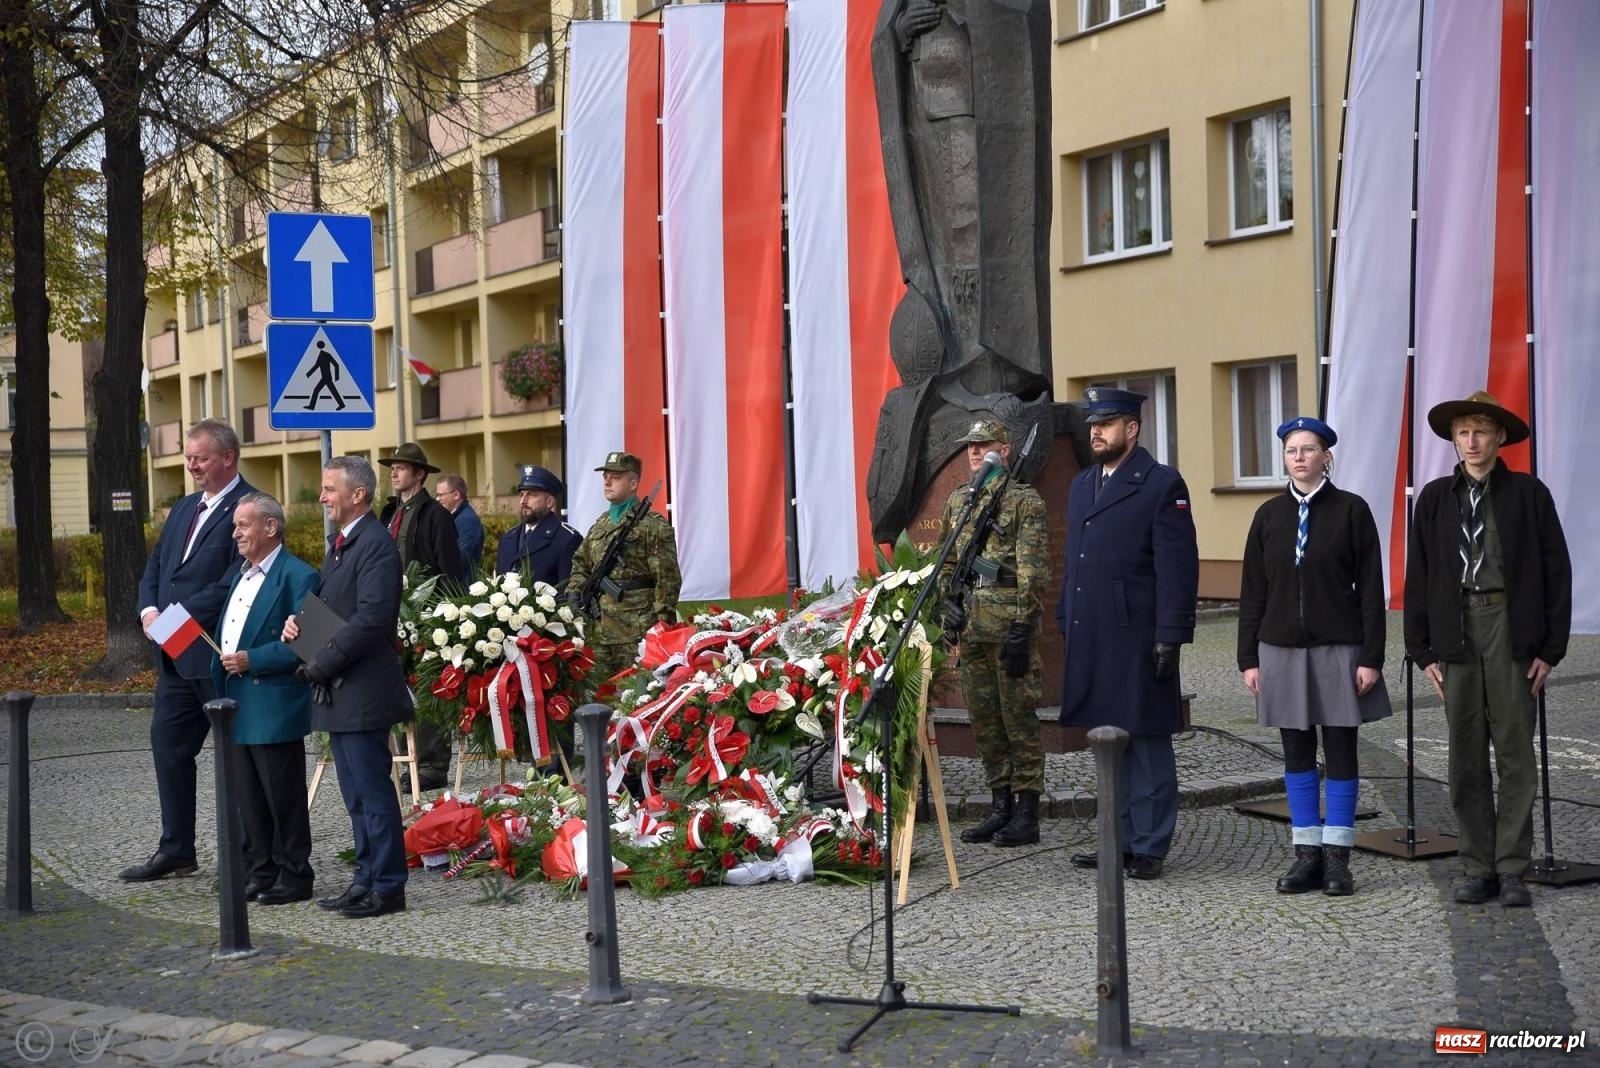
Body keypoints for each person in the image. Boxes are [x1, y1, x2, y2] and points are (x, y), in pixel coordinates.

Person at [1405, 391, 1571, 908]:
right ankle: (1477, 865)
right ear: (1453, 440)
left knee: (1516, 750)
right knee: (1465, 754)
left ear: (1500, 437)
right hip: (1456, 628)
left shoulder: (1528, 494)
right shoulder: (1433, 497)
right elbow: (1420, 575)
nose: (1471, 441)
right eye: (1462, 432)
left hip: (1510, 626)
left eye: (1481, 430)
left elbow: (1555, 571)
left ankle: (1513, 866)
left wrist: (1550, 647)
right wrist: (1422, 649)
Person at [1237, 417, 1391, 897]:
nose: (1299, 457)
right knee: (1297, 753)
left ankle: (1338, 859)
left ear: (1327, 456)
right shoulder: (1267, 516)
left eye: (1308, 449)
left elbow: (1371, 590)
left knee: (1341, 751)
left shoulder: (1351, 511)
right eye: (1290, 450)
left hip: (1338, 649)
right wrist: (1249, 658)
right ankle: (1306, 855)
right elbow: (1253, 591)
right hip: (1279, 650)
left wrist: (1372, 656)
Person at [1058, 387, 1198, 881]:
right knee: (1107, 742)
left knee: (1147, 743)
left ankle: (1150, 844)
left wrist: (1171, 635)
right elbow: (1074, 563)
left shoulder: (1161, 484)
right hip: (1093, 635)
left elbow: (1178, 568)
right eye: (1092, 423)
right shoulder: (1081, 486)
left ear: (1132, 429)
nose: (1095, 432)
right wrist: (1064, 616)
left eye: (1107, 423)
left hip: (1138, 636)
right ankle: (1114, 839)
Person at [121, 419, 255, 883]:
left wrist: (174, 616)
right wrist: (148, 611)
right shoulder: (183, 509)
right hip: (175, 657)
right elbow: (156, 566)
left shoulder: (250, 508)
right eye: (188, 456)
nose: (191, 464)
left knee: (235, 758)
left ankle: (244, 856)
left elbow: (237, 579)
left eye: (199, 457)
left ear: (227, 458)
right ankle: (177, 848)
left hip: (220, 655)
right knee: (169, 747)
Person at [282, 456, 413, 918]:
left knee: (372, 793)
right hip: (341, 688)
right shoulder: (341, 545)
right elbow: (333, 607)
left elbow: (373, 620)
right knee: (354, 795)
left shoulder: (374, 544)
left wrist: (322, 662)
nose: (321, 497)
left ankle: (389, 886)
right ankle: (365, 879)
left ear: (358, 495)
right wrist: (300, 628)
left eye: (329, 489)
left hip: (361, 688)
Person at [939, 420, 1050, 847]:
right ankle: (1000, 805)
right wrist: (948, 607)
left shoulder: (1024, 501)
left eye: (983, 444)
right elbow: (948, 561)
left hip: (1008, 627)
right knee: (985, 721)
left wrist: (1024, 624)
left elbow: (1033, 570)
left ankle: (1027, 813)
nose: (973, 451)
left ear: (1003, 450)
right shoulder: (958, 501)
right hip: (971, 627)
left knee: (1018, 719)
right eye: (968, 445)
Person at [210, 493, 320, 905]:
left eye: (243, 524)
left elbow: (308, 643)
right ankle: (262, 869)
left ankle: (295, 873)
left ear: (270, 528)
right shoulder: (241, 574)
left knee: (282, 797)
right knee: (250, 799)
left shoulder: (299, 575)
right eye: (236, 524)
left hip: (273, 703)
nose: (235, 532)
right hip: (236, 702)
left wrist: (250, 659)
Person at [377, 442, 461, 791]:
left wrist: (444, 616)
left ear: (420, 474)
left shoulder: (435, 515)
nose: (394, 472)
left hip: (427, 615)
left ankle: (432, 766)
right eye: (392, 467)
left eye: (402, 467)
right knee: (395, 687)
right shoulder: (388, 513)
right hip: (393, 612)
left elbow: (451, 571)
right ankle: (401, 758)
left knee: (428, 690)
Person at [567, 451, 682, 693]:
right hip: (599, 630)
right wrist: (575, 592)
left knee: (639, 696)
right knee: (601, 697)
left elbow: (667, 579)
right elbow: (581, 563)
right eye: (606, 477)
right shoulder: (600, 524)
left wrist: (662, 625)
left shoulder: (652, 526)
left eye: (615, 477)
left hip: (637, 630)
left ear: (633, 483)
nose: (607, 482)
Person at [495, 463, 582, 586]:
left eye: (531, 495)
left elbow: (568, 594)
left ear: (549, 502)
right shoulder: (508, 537)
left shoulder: (567, 539)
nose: (523, 501)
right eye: (521, 494)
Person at [435, 472, 484, 581]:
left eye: (441, 495)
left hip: (461, 589)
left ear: (456, 495)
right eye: (437, 495)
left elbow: (458, 557)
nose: (437, 499)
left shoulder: (467, 520)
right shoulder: (449, 517)